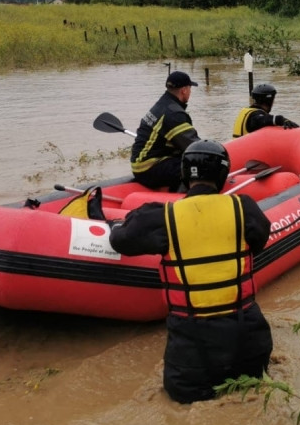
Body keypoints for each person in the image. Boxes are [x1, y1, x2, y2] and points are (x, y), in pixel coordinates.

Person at [109, 140, 274, 404]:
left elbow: (120, 241)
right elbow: (259, 241)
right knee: (251, 395)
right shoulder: (245, 209)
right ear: (222, 176)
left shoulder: (162, 217)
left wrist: (117, 223)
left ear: (184, 175)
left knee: (182, 405)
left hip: (193, 351)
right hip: (249, 340)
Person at [130, 70, 201, 189]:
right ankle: (183, 198)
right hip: (148, 167)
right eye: (189, 89)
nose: (190, 92)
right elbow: (193, 147)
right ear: (184, 90)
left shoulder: (163, 104)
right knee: (197, 167)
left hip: (141, 162)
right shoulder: (174, 114)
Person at [232, 83, 299, 137]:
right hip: (244, 152)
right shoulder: (255, 116)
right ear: (269, 101)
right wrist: (282, 120)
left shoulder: (246, 111)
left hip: (234, 150)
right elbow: (263, 120)